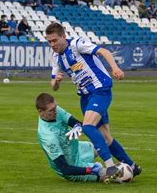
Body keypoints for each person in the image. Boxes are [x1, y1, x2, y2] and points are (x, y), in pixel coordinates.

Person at [45, 23, 142, 182]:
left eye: (54, 40)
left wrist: (115, 68)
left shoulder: (77, 44)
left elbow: (103, 51)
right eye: (49, 42)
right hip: (85, 97)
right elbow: (53, 87)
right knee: (105, 137)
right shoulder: (56, 58)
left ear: (63, 36)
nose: (52, 45)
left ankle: (110, 166)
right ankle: (132, 166)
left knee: (88, 126)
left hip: (100, 90)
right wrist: (56, 82)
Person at [35, 93, 108, 182]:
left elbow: (75, 122)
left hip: (77, 148)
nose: (55, 111)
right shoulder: (47, 137)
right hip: (72, 167)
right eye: (51, 110)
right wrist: (90, 170)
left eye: (55, 107)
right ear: (40, 111)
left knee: (104, 144)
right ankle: (124, 173)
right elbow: (65, 169)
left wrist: (77, 125)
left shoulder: (56, 110)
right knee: (109, 175)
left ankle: (128, 164)